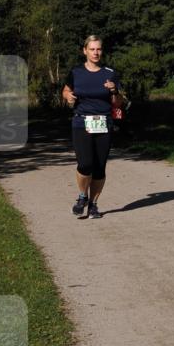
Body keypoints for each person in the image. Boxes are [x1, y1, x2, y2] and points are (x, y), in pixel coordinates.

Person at [62, 35, 124, 220]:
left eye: (99, 49)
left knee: (99, 168)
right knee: (85, 164)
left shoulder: (110, 73)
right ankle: (82, 196)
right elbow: (65, 90)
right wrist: (68, 97)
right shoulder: (76, 72)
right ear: (85, 51)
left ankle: (94, 205)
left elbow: (118, 104)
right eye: (92, 49)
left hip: (104, 123)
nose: (96, 52)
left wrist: (114, 91)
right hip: (82, 122)